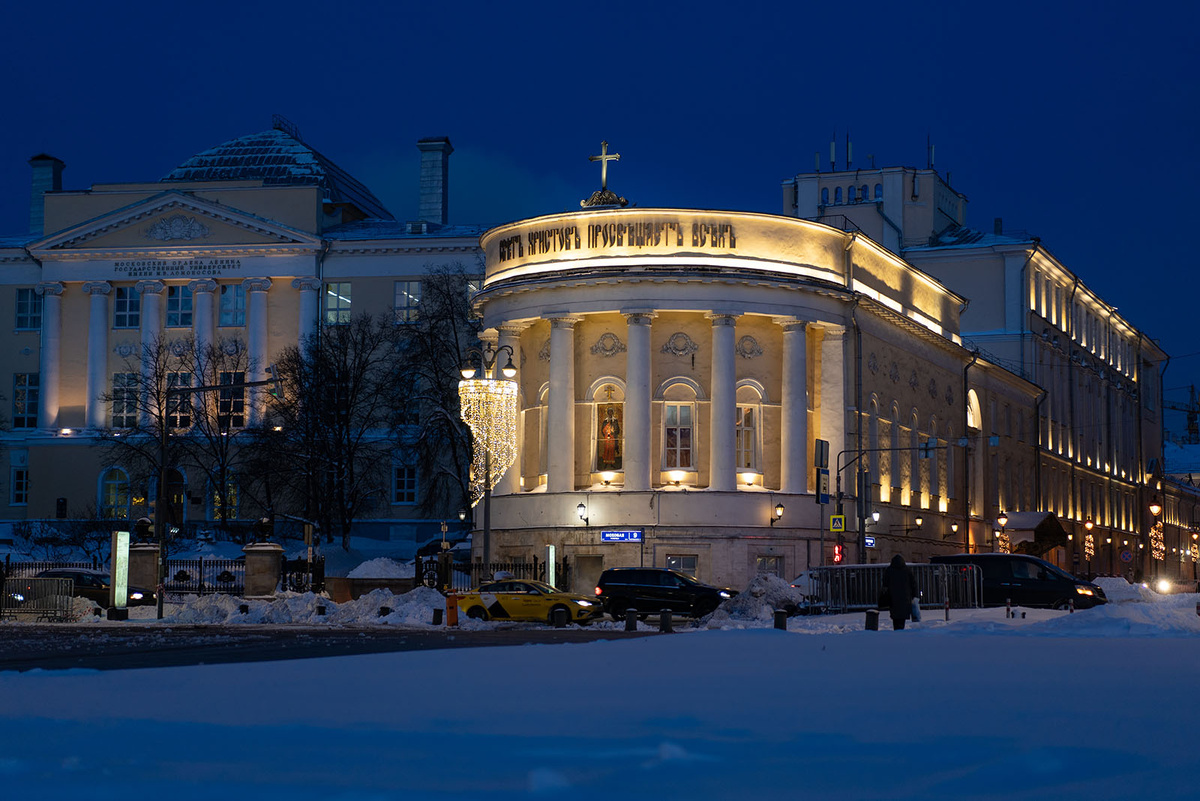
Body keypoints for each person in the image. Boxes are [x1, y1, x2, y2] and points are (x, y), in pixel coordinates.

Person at [881, 553, 918, 630]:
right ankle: (901, 629)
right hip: (905, 597)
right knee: (902, 617)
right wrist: (914, 595)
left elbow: (885, 583)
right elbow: (913, 584)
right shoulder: (907, 570)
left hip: (893, 597)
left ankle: (897, 629)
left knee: (895, 617)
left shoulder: (889, 570)